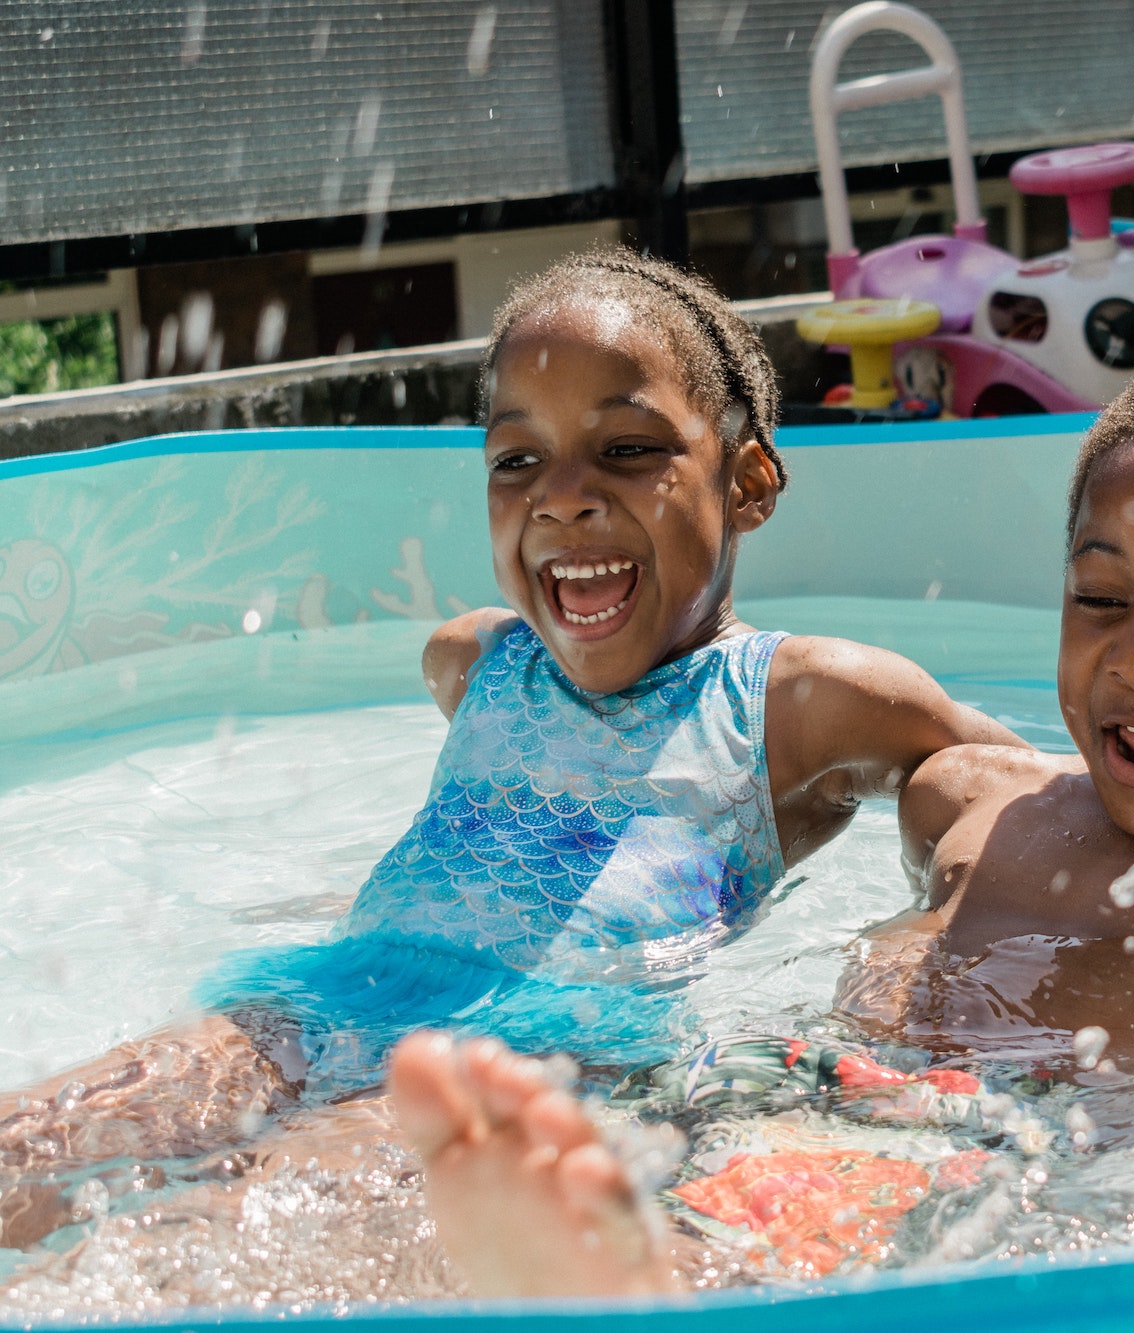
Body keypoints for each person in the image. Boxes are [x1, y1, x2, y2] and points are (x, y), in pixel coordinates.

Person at [386, 338, 1134, 1295]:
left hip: (1016, 1133)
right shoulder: (968, 798)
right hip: (793, 1073)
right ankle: (592, 1246)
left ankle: (620, 1271)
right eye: (1099, 599)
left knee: (844, 1210)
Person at [0, 250, 1021, 1247]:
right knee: (31, 1146)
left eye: (626, 448)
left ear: (746, 481)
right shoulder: (474, 661)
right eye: (516, 458)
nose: (562, 494)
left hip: (531, 1049)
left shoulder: (798, 699)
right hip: (316, 997)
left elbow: (1013, 786)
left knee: (214, 1236)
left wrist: (922, 931)